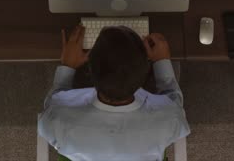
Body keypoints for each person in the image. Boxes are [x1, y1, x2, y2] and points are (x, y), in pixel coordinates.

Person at [38, 24, 190, 161]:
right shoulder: (169, 120)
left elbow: (52, 103)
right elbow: (174, 102)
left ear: (89, 70)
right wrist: (161, 61)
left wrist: (68, 65)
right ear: (145, 71)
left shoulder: (57, 121)